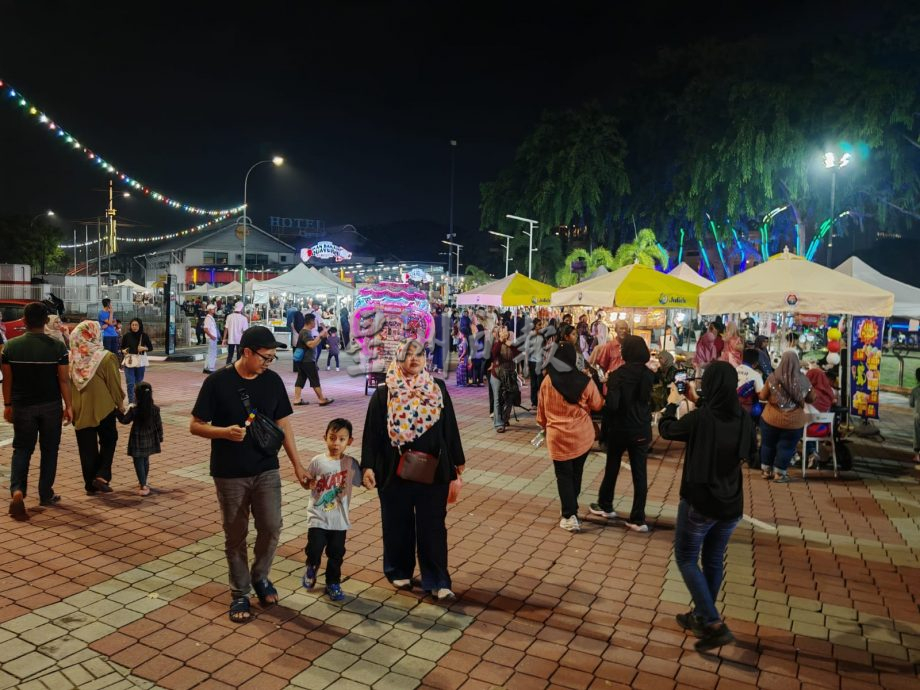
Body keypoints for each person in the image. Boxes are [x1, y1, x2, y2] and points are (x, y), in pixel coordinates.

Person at [190, 325, 307, 623]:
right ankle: (240, 592)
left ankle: (260, 576)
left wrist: (297, 464)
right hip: (229, 472)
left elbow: (284, 425)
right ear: (246, 352)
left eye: (271, 358)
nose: (268, 363)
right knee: (235, 534)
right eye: (265, 357)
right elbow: (195, 424)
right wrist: (223, 433)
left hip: (266, 468)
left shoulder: (272, 381)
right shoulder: (217, 382)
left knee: (271, 526)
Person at [658, 361, 753, 652]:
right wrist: (695, 400)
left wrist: (673, 404)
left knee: (687, 558)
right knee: (712, 560)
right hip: (731, 506)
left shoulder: (701, 419)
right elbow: (721, 421)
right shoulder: (744, 419)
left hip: (700, 502)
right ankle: (700, 615)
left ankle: (713, 622)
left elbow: (667, 430)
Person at [360, 339, 465, 600]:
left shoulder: (437, 388)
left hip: (434, 469)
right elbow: (371, 434)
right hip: (394, 470)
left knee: (433, 527)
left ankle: (438, 579)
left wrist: (457, 460)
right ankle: (398, 569)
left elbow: (449, 426)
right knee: (397, 522)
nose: (413, 359)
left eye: (418, 354)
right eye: (407, 355)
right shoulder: (385, 393)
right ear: (398, 358)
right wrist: (368, 466)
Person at [2, 302, 72, 518]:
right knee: (50, 450)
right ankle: (45, 493)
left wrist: (7, 405)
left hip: (22, 405)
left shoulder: (11, 347)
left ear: (24, 320)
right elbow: (63, 380)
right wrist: (68, 406)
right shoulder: (58, 347)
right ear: (45, 321)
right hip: (50, 406)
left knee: (22, 449)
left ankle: (18, 490)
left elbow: (7, 380)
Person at [536, 341, 604, 532]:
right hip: (582, 436)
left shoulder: (547, 382)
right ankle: (570, 508)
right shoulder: (585, 381)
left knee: (563, 476)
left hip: (557, 438)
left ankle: (569, 514)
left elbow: (541, 414)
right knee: (576, 473)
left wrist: (546, 426)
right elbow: (598, 405)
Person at [591, 335, 654, 532]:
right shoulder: (648, 375)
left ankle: (605, 504)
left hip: (619, 428)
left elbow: (613, 405)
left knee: (612, 466)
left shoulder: (617, 375)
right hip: (641, 428)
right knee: (640, 473)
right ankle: (638, 518)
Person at [302, 418, 362, 602]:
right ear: (325, 438)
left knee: (336, 554)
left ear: (349, 441)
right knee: (314, 548)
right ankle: (312, 565)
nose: (336, 443)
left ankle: (333, 582)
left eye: (341, 439)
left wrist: (371, 479)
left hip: (339, 520)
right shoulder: (317, 461)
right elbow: (306, 481)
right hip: (318, 516)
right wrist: (307, 483)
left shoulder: (351, 464)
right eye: (332, 437)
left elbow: (363, 482)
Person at [70, 320, 126, 495]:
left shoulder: (72, 358)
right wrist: (120, 403)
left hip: (79, 408)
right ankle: (102, 475)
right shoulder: (106, 357)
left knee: (86, 447)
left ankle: (90, 484)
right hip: (104, 407)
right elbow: (114, 384)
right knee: (109, 439)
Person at [758, 350, 815, 482]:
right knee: (787, 447)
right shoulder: (804, 380)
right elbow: (812, 398)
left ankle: (766, 471)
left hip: (770, 419)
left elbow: (762, 396)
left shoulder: (772, 378)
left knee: (768, 444)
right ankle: (780, 473)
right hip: (793, 423)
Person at [117, 381, 163, 496]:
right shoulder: (155, 409)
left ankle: (143, 484)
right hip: (150, 437)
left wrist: (117, 412)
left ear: (136, 395)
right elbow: (159, 424)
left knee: (138, 460)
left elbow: (124, 421)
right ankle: (144, 481)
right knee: (145, 459)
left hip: (137, 438)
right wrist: (160, 437)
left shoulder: (134, 409)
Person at [293, 314, 334, 406]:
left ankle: (297, 399)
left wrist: (321, 336)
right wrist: (320, 336)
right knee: (314, 379)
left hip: (303, 360)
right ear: (311, 321)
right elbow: (311, 344)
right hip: (307, 360)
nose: (315, 324)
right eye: (314, 321)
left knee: (301, 378)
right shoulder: (305, 332)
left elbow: (313, 344)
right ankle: (321, 399)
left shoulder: (305, 331)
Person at [489, 324, 519, 433]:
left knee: (509, 398)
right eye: (502, 331)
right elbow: (494, 354)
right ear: (498, 333)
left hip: (510, 375)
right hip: (497, 374)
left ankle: (505, 418)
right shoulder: (496, 343)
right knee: (497, 399)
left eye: (506, 330)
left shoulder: (512, 343)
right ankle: (498, 423)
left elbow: (518, 354)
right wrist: (501, 341)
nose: (504, 332)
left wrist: (510, 345)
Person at [121, 318, 153, 405]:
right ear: (130, 326)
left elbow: (150, 348)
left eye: (136, 325)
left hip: (140, 361)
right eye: (133, 325)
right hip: (129, 361)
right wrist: (123, 351)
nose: (134, 327)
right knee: (130, 383)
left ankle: (138, 401)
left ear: (140, 326)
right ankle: (131, 402)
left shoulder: (144, 336)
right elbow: (121, 348)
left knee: (138, 383)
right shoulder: (126, 336)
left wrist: (144, 348)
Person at [736, 348, 765, 414]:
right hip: (746, 408)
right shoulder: (756, 375)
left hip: (731, 404)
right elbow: (761, 395)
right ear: (756, 363)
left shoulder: (734, 369)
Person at [222, 301, 249, 365]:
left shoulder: (229, 316)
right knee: (239, 357)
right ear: (241, 308)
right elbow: (245, 331)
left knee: (230, 356)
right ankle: (238, 370)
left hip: (231, 339)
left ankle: (227, 369)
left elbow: (226, 328)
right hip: (240, 340)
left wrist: (224, 339)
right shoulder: (244, 318)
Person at [527, 318, 545, 407]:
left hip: (540, 361)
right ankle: (534, 402)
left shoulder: (542, 336)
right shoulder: (530, 335)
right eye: (539, 325)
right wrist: (525, 365)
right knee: (533, 383)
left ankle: (541, 401)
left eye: (541, 325)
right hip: (532, 361)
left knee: (540, 382)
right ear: (534, 326)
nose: (540, 326)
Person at [203, 303, 219, 374]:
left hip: (212, 338)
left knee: (210, 353)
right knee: (212, 353)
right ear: (209, 310)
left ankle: (206, 367)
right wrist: (211, 336)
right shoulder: (208, 318)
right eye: (213, 309)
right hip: (211, 338)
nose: (214, 310)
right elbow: (206, 329)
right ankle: (210, 368)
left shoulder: (210, 317)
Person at [910, 368, 920, 464]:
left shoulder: (915, 390)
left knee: (917, 435)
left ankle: (917, 456)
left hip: (918, 416)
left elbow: (911, 404)